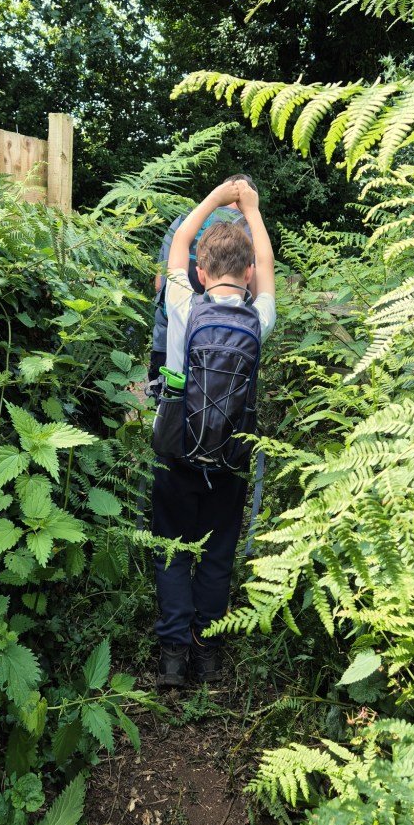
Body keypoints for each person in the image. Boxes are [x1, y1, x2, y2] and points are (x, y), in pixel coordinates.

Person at [151, 178, 276, 687]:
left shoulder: (184, 303)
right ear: (247, 274)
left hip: (177, 446)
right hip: (233, 452)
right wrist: (251, 206)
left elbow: (179, 243)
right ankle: (208, 653)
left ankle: (174, 658)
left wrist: (217, 200)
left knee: (172, 546)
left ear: (201, 273)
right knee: (218, 553)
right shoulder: (258, 316)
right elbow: (266, 264)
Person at [148, 175, 256, 387]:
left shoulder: (182, 222)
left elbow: (160, 284)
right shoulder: (248, 230)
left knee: (166, 400)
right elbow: (259, 291)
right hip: (233, 346)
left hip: (170, 338)